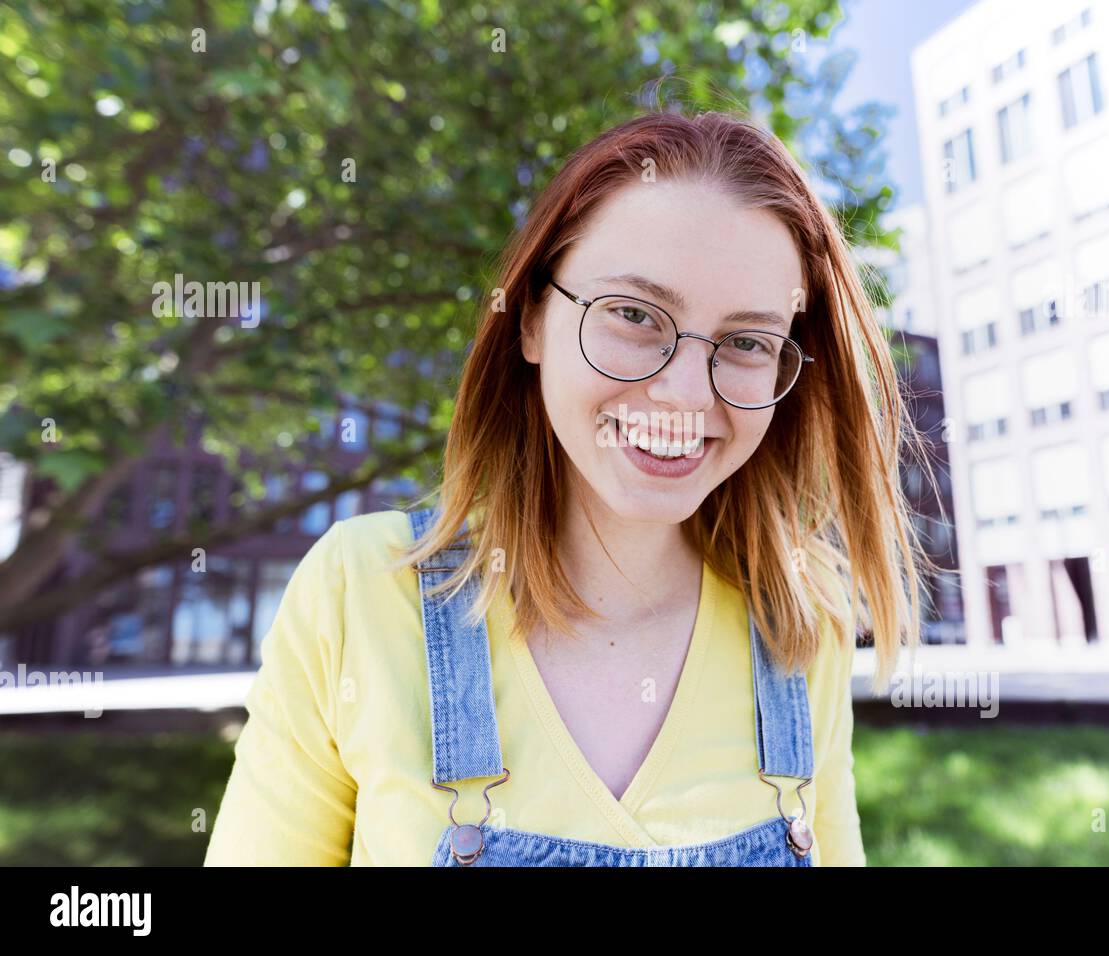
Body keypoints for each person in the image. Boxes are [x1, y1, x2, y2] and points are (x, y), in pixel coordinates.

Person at [204, 107, 930, 867]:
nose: (686, 394)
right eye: (633, 315)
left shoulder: (799, 621)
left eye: (746, 342)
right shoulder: (361, 590)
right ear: (531, 320)